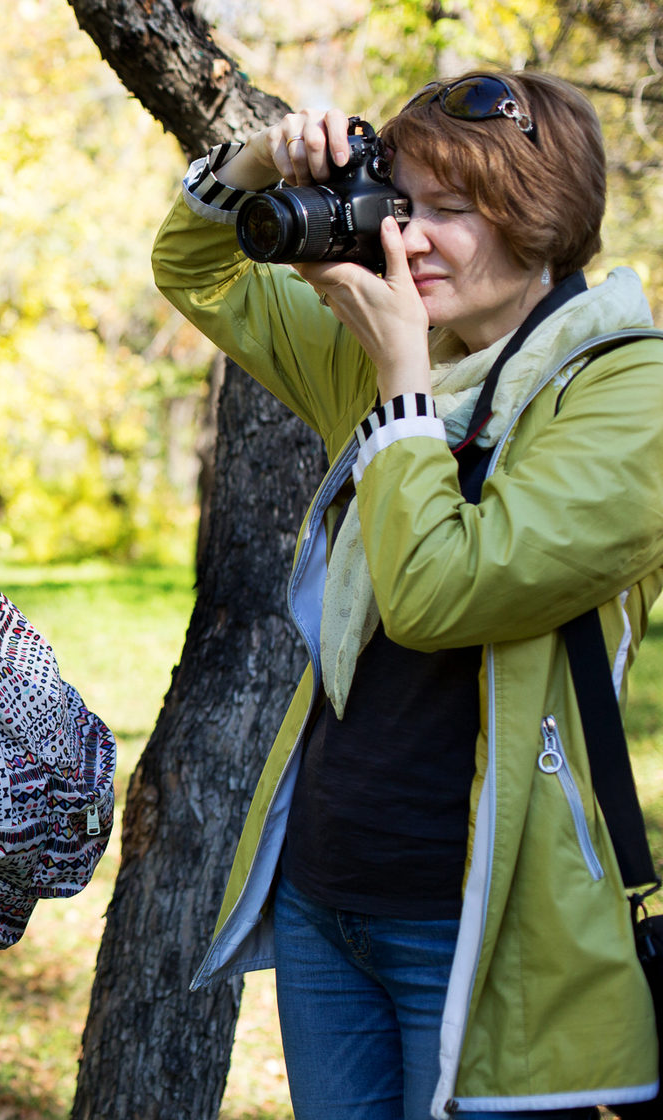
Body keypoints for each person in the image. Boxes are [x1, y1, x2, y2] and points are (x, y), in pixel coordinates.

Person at [156, 70, 663, 1118]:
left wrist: (399, 386)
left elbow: (446, 590)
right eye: (400, 206)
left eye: (449, 212)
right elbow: (195, 265)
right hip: (327, 894)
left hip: (488, 914)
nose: (408, 240)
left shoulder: (631, 391)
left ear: (542, 215)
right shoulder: (404, 348)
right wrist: (261, 158)